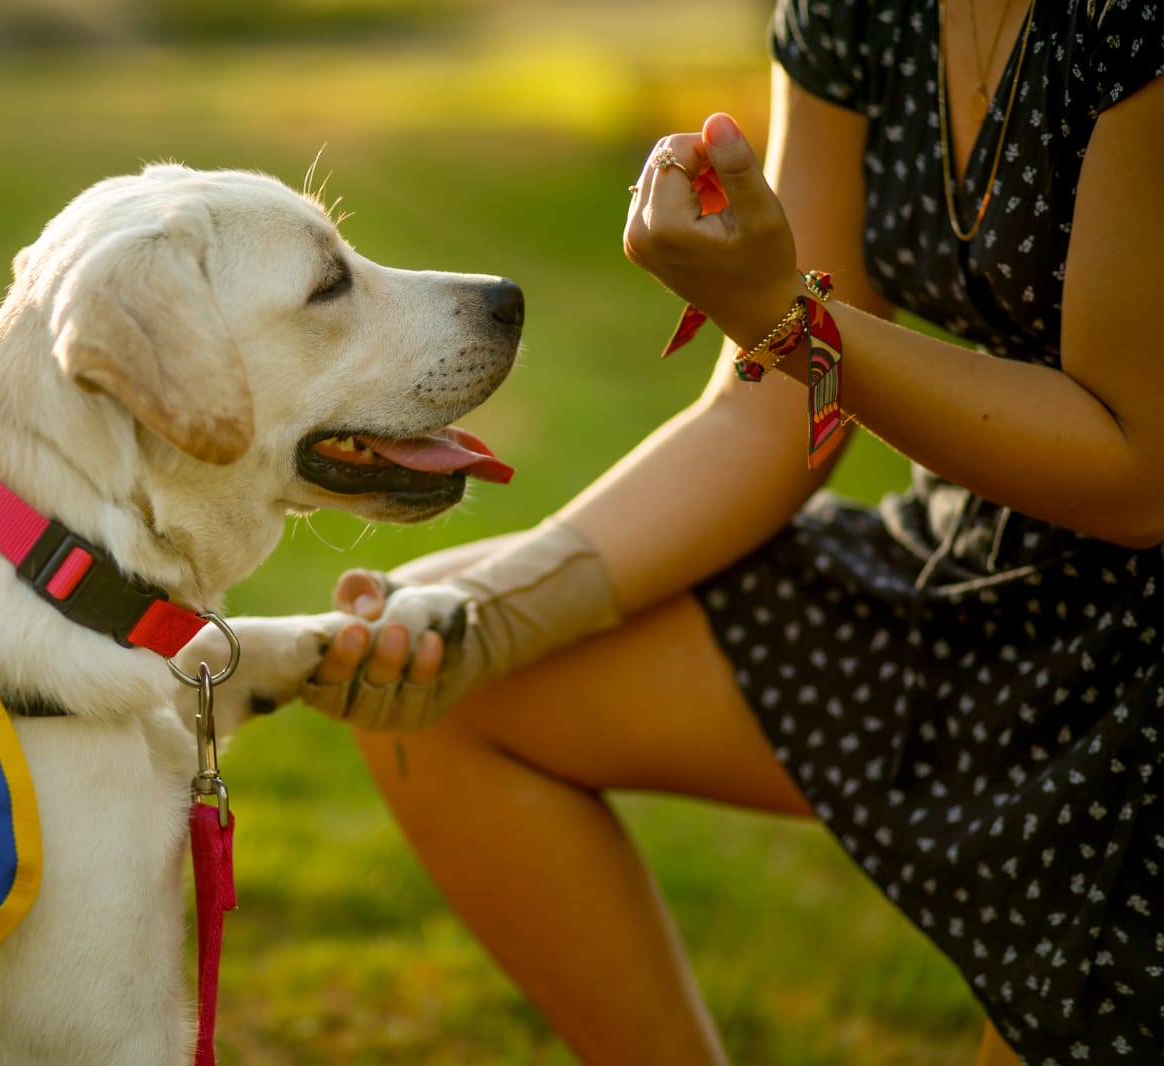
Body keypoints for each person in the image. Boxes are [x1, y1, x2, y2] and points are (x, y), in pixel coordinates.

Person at [287, 1, 1164, 1063]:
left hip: (1139, 665)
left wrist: (789, 316)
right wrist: (492, 612)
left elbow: (1134, 472)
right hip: (975, 565)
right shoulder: (856, 14)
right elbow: (770, 413)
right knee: (448, 686)